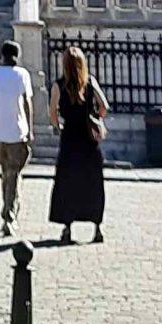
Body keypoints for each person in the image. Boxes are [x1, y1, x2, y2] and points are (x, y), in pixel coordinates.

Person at [48, 43, 109, 245]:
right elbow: (104, 106)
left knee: (68, 184)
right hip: (89, 142)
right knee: (92, 184)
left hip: (70, 141)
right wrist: (95, 118)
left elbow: (52, 111)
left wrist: (59, 126)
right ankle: (97, 228)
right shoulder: (90, 82)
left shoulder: (59, 85)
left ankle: (67, 227)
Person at [0, 38, 35, 234]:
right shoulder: (21, 74)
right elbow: (27, 103)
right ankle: (9, 216)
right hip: (17, 132)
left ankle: (8, 211)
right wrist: (30, 129)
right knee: (13, 175)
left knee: (7, 174)